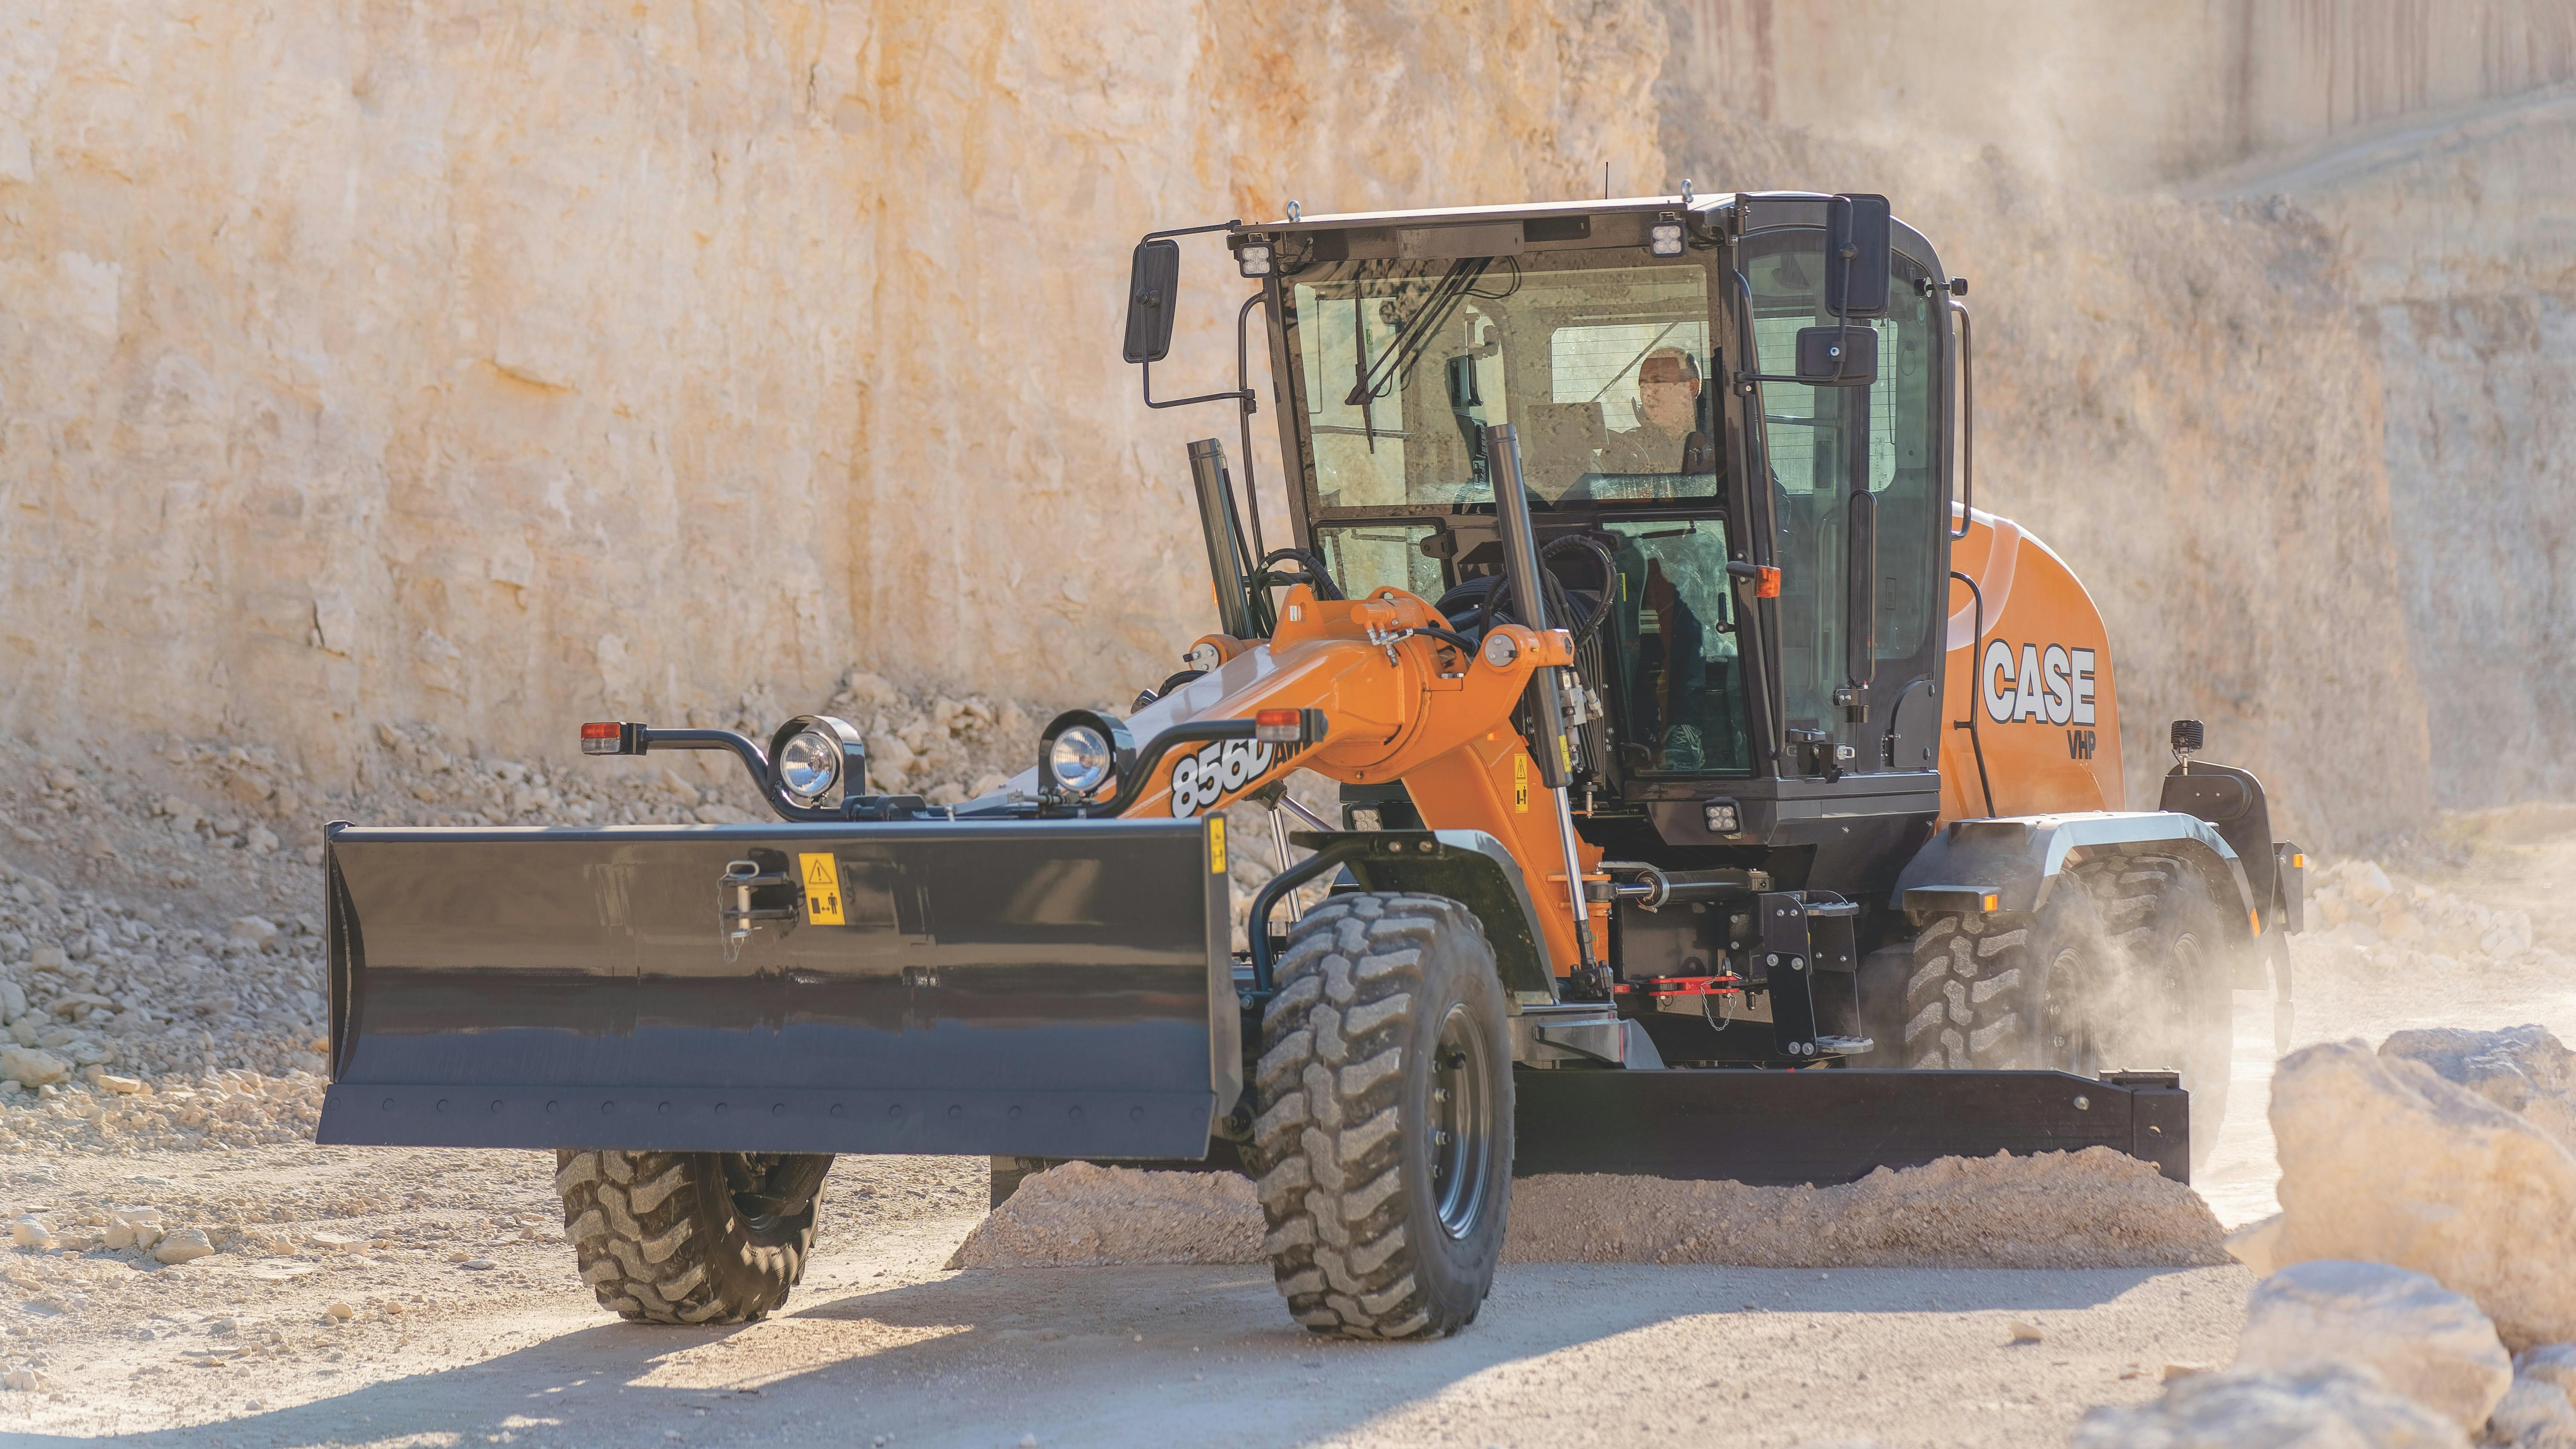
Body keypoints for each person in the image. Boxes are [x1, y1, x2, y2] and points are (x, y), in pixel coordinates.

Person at [1601, 347, 1717, 477]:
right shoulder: (1626, 445)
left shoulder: (1723, 443)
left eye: (1658, 381)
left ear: (1690, 388)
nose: (1647, 393)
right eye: (1643, 385)